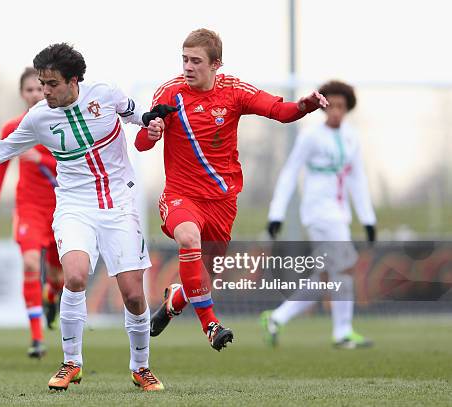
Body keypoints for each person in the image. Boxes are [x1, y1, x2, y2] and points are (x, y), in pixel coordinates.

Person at [0, 43, 176, 391]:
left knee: (134, 295)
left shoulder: (104, 94)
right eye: (41, 83)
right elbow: (3, 149)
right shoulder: (39, 117)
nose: (44, 91)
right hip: (75, 206)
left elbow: (134, 113)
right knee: (73, 276)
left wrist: (150, 118)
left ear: (73, 81)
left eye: (51, 84)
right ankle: (71, 362)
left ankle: (140, 367)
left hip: (120, 204)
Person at [135, 28, 328, 351]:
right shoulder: (170, 94)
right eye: (184, 59)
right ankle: (211, 325)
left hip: (222, 202)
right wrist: (152, 132)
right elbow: (141, 144)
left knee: (204, 275)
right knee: (188, 239)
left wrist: (304, 106)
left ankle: (176, 298)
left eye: (196, 61)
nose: (188, 67)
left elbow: (279, 111)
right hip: (181, 196)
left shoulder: (234, 91)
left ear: (216, 64)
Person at [261, 80, 376, 349]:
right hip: (318, 212)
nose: (336, 111)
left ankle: (276, 318)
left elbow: (357, 178)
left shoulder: (351, 136)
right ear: (324, 107)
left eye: (341, 106)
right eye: (331, 105)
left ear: (347, 108)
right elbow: (290, 172)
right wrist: (276, 212)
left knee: (324, 277)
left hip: (339, 212)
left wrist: (368, 218)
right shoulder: (310, 136)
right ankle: (343, 332)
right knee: (345, 265)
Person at [0, 67, 63, 359]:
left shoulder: (60, 123)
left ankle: (52, 295)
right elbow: (1, 161)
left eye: (39, 89)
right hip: (28, 207)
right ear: (22, 94)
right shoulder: (13, 128)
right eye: (29, 90)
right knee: (29, 264)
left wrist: (40, 157)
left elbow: (74, 163)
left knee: (59, 278)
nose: (35, 94)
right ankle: (37, 338)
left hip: (61, 208)